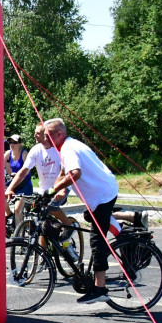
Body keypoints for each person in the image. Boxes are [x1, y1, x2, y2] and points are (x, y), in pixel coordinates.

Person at [45, 118, 119, 304]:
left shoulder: (69, 149)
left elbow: (75, 173)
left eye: (48, 135)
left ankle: (100, 289)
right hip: (99, 194)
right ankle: (123, 227)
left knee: (97, 241)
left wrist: (54, 189)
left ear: (59, 134)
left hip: (102, 194)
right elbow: (64, 176)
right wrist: (55, 194)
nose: (46, 139)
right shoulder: (66, 147)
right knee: (92, 222)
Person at [4, 134, 32, 228]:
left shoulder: (24, 154)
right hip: (13, 183)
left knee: (17, 209)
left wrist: (18, 175)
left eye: (15, 142)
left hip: (25, 184)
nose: (12, 145)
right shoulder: (8, 154)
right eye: (10, 142)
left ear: (20, 144)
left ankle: (18, 233)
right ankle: (9, 214)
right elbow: (3, 167)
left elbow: (28, 170)